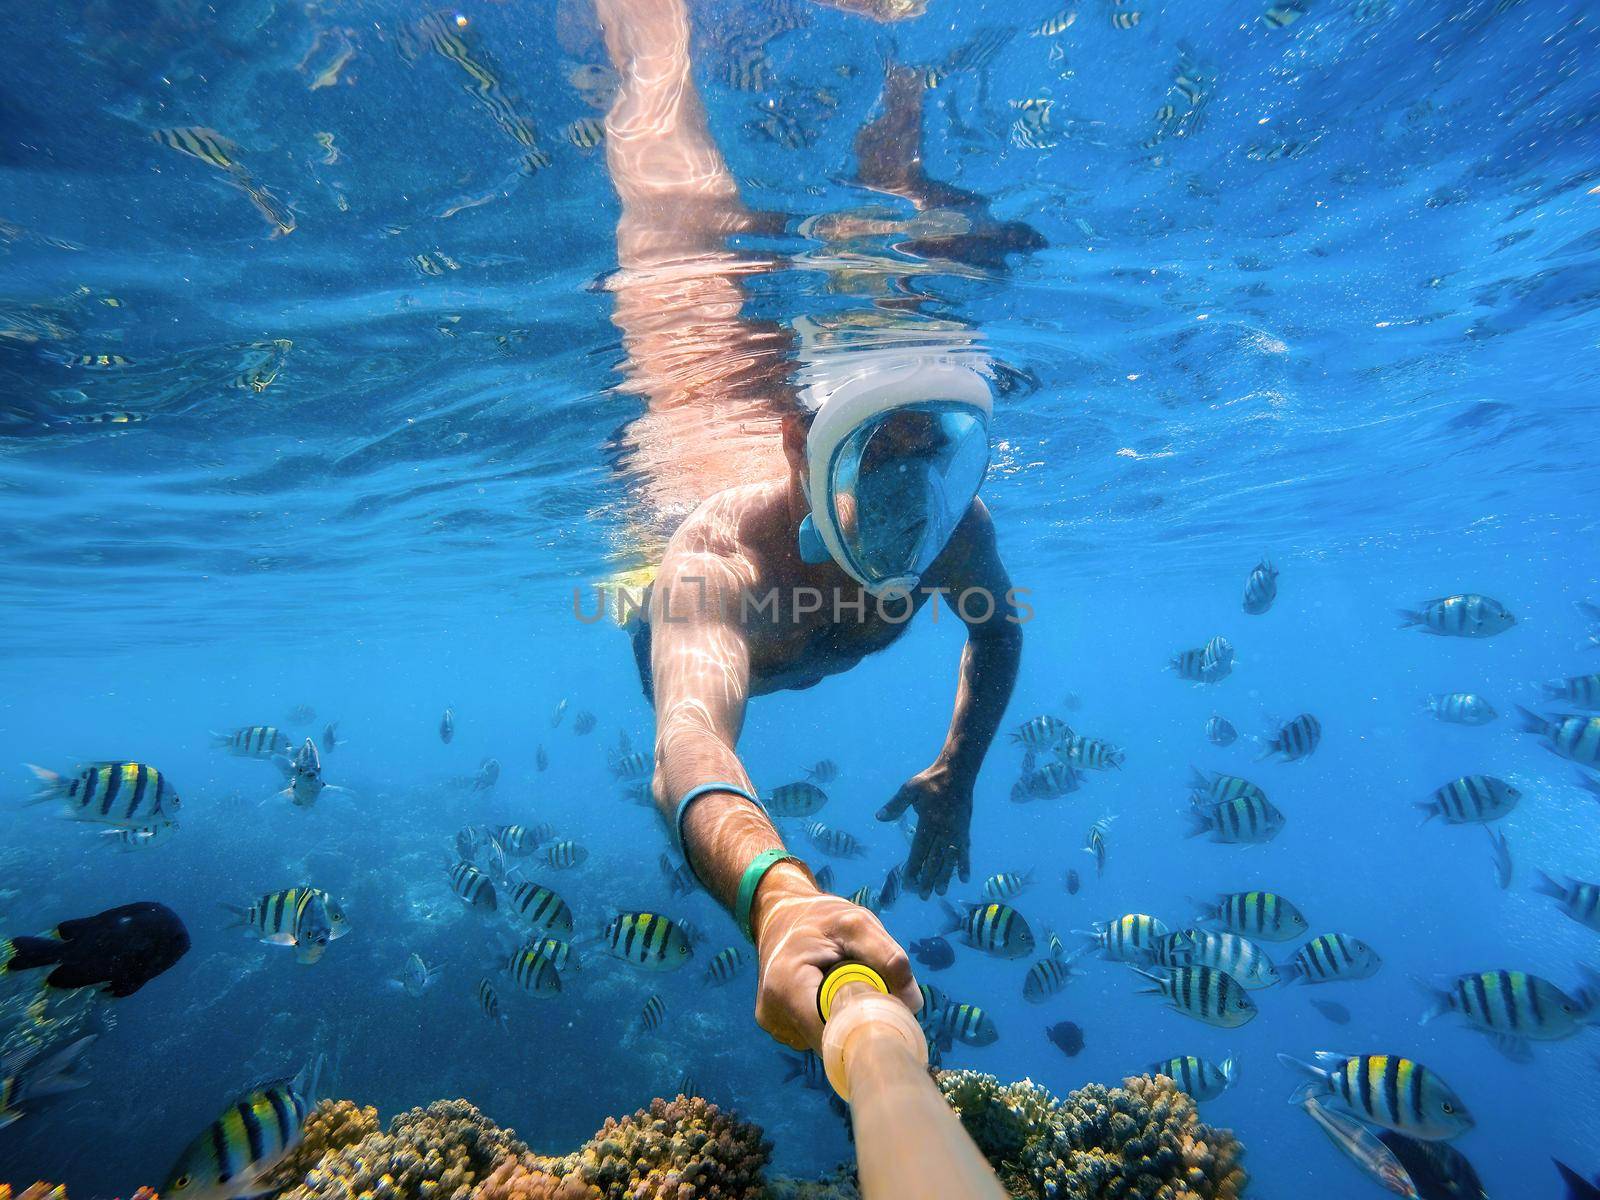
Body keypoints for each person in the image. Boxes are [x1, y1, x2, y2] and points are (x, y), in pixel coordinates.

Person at [597, 0, 1027, 1055]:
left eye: (931, 454)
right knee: (680, 195)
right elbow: (688, 741)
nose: (907, 500)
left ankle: (903, 67)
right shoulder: (722, 560)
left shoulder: (950, 528)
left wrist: (954, 775)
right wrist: (776, 894)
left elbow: (997, 629)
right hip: (676, 621)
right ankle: (649, 34)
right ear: (801, 446)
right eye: (874, 456)